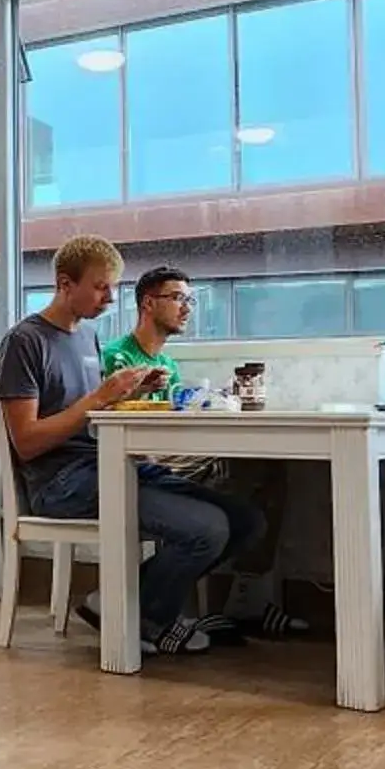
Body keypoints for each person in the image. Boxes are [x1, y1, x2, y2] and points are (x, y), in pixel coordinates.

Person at [0, 237, 237, 655]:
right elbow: (27, 442)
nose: (109, 299)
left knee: (244, 520)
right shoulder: (25, 341)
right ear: (65, 283)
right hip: (61, 483)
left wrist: (129, 393)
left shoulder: (87, 338)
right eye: (100, 287)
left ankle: (129, 609)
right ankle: (134, 615)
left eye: (113, 288)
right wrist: (100, 398)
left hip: (106, 464)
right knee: (208, 529)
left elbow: (90, 416)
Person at [98, 266, 302, 639]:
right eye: (177, 298)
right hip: (144, 465)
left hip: (170, 459)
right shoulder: (117, 358)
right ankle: (166, 605)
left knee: (267, 469)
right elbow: (112, 422)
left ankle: (242, 595)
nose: (187, 308)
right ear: (147, 303)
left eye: (189, 299)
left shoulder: (168, 364)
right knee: (247, 482)